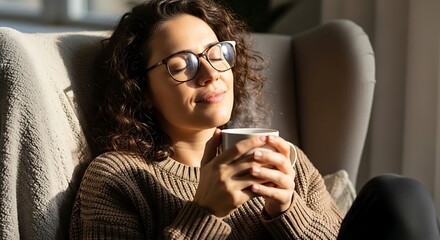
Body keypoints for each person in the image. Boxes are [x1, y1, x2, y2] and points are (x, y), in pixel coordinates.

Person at [69, 0, 440, 239]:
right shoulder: (119, 177)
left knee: (397, 195)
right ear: (142, 90)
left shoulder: (283, 159)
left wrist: (286, 210)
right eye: (183, 65)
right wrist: (203, 213)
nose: (210, 73)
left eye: (217, 54)